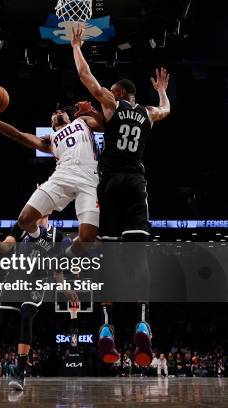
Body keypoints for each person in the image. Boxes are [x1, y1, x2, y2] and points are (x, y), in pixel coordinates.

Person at [71, 24, 171, 367]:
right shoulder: (147, 114)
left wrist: (76, 45)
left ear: (117, 93)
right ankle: (142, 321)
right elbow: (167, 110)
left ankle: (106, 328)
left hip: (109, 185)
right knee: (138, 258)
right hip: (136, 183)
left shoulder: (111, 102)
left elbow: (86, 76)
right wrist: (161, 91)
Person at [0, 95, 104, 254]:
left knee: (87, 239)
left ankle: (66, 255)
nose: (58, 112)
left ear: (68, 116)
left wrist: (91, 111)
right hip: (62, 177)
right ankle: (37, 236)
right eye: (54, 113)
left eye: (62, 111)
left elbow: (107, 125)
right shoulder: (50, 140)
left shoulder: (82, 121)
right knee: (24, 220)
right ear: (51, 124)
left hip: (89, 181)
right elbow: (18, 135)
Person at [0, 216, 70, 390]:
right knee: (1, 324)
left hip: (37, 281)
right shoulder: (21, 226)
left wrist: (64, 288)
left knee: (26, 317)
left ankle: (20, 373)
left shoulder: (58, 236)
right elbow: (6, 246)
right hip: (14, 278)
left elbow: (58, 269)